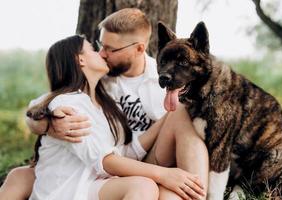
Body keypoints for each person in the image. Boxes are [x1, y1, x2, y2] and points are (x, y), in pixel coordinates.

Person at [0, 8, 209, 200]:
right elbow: (42, 105)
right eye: (98, 47)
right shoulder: (83, 95)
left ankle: (197, 191)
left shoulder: (161, 78)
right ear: (80, 61)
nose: (102, 53)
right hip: (96, 176)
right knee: (156, 192)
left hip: (134, 164)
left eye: (110, 49)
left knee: (181, 115)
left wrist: (170, 117)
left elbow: (123, 152)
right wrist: (47, 123)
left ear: (138, 49)